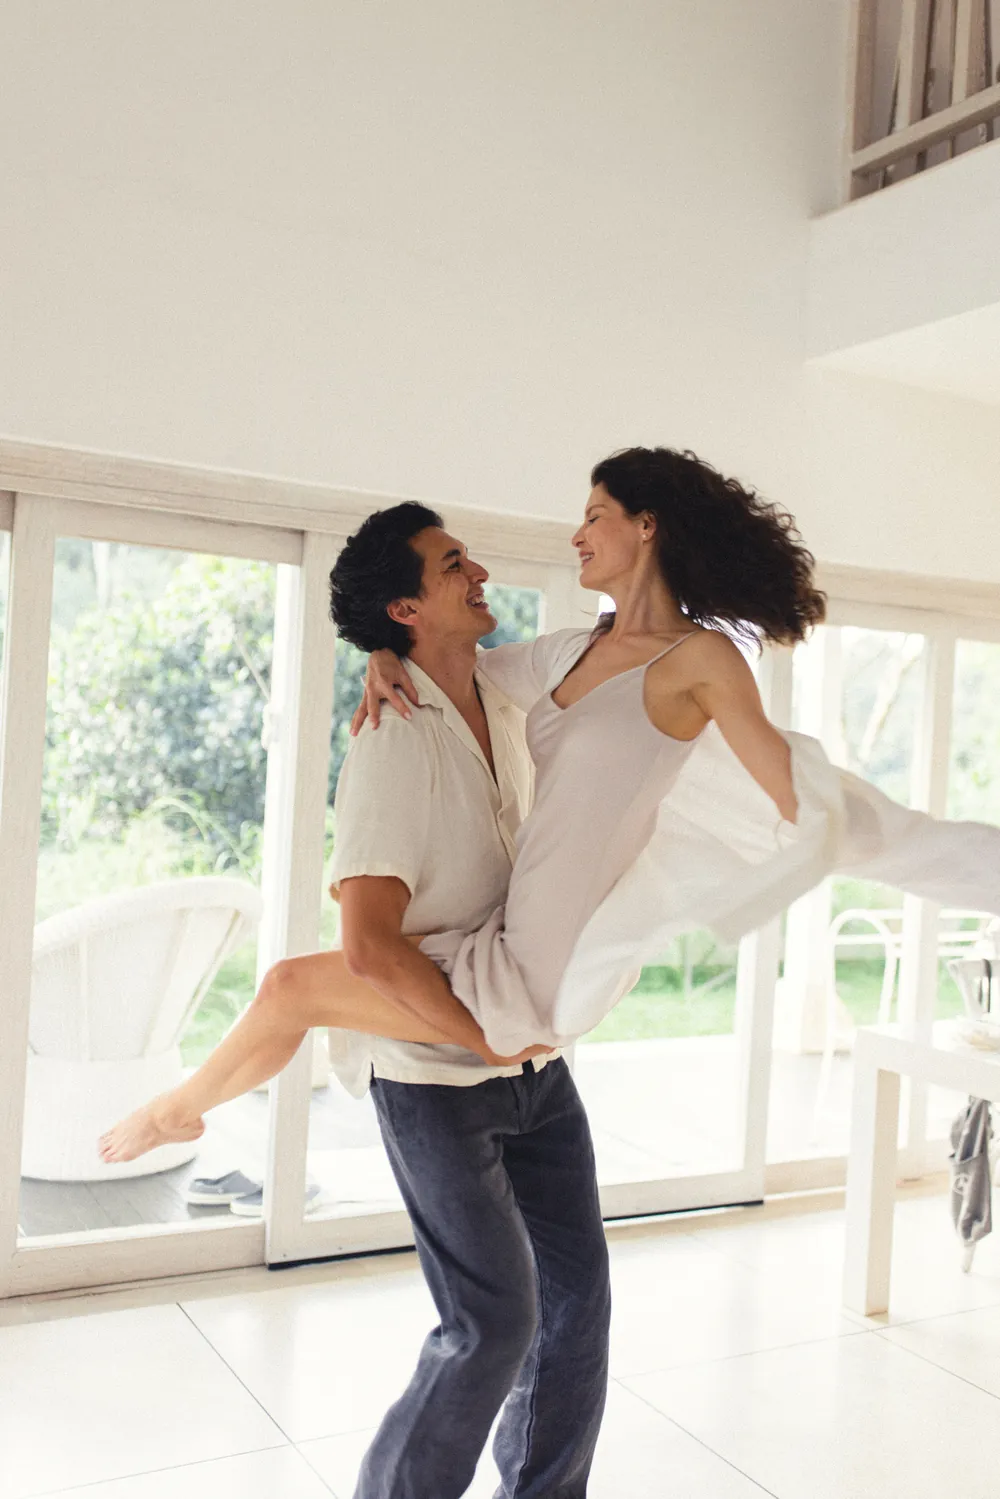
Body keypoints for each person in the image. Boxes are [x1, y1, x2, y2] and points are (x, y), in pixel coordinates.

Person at [100, 445, 1000, 1147]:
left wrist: (812, 836)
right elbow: (456, 664)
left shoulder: (701, 659)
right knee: (292, 988)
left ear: (646, 526)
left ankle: (175, 1108)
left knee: (293, 985)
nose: (578, 533)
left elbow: (781, 780)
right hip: (511, 939)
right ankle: (179, 1109)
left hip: (546, 970)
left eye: (594, 515)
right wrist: (379, 651)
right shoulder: (569, 652)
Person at [110, 501, 613, 1499]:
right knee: (492, 1322)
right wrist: (482, 1035)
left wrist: (516, 1038)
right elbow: (369, 946)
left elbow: (620, 646)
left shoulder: (510, 690)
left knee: (577, 1308)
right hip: (437, 1079)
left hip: (538, 1068)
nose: (478, 571)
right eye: (451, 563)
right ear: (405, 606)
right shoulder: (392, 740)